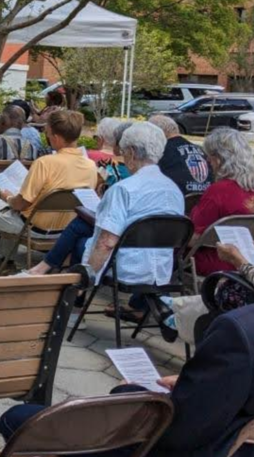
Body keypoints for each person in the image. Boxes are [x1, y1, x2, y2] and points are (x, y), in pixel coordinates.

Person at [0, 172, 254, 457]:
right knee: (127, 392)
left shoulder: (242, 332)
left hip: (178, 450)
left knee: (18, 418)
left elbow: (175, 433)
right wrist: (200, 382)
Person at [0, 110, 96, 268]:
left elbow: (20, 204)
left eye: (48, 134)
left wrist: (8, 197)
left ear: (56, 137)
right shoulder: (90, 166)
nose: (47, 137)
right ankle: (5, 259)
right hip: (65, 230)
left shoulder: (45, 163)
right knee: (10, 207)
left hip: (33, 227)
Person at [79, 122, 185, 327]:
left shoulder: (123, 190)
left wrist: (87, 276)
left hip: (127, 269)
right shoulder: (174, 190)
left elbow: (107, 242)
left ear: (132, 152)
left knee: (81, 243)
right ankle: (159, 306)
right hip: (161, 270)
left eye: (124, 151)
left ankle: (76, 302)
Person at [20, 121, 135, 277]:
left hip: (120, 236)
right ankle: (64, 275)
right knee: (80, 234)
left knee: (80, 225)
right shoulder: (163, 184)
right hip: (147, 247)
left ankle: (58, 274)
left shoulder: (103, 166)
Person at [187, 127, 254, 275]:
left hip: (212, 262)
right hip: (246, 260)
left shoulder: (218, 191)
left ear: (218, 159)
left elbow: (194, 239)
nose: (208, 161)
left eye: (209, 156)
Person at [149, 114, 212, 195]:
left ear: (156, 133)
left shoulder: (161, 152)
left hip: (175, 200)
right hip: (205, 198)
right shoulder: (201, 150)